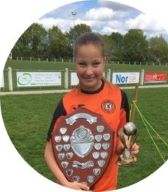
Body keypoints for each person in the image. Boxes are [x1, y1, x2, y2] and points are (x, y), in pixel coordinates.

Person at [44, 32, 139, 191]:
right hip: (71, 185)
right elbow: (48, 151)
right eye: (82, 64)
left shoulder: (118, 96)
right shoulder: (66, 102)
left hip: (107, 186)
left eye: (95, 64)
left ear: (104, 62)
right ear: (75, 63)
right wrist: (65, 183)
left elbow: (117, 142)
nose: (89, 71)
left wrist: (127, 148)